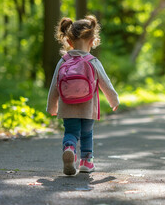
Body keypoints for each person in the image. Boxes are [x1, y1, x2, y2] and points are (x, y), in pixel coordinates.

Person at [46, 15, 119, 176]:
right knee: (87, 133)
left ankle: (70, 148)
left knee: (71, 132)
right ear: (93, 41)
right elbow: (105, 83)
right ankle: (86, 162)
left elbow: (54, 86)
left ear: (69, 41)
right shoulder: (92, 61)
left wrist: (52, 107)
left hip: (67, 107)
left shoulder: (63, 61)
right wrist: (114, 100)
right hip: (88, 108)